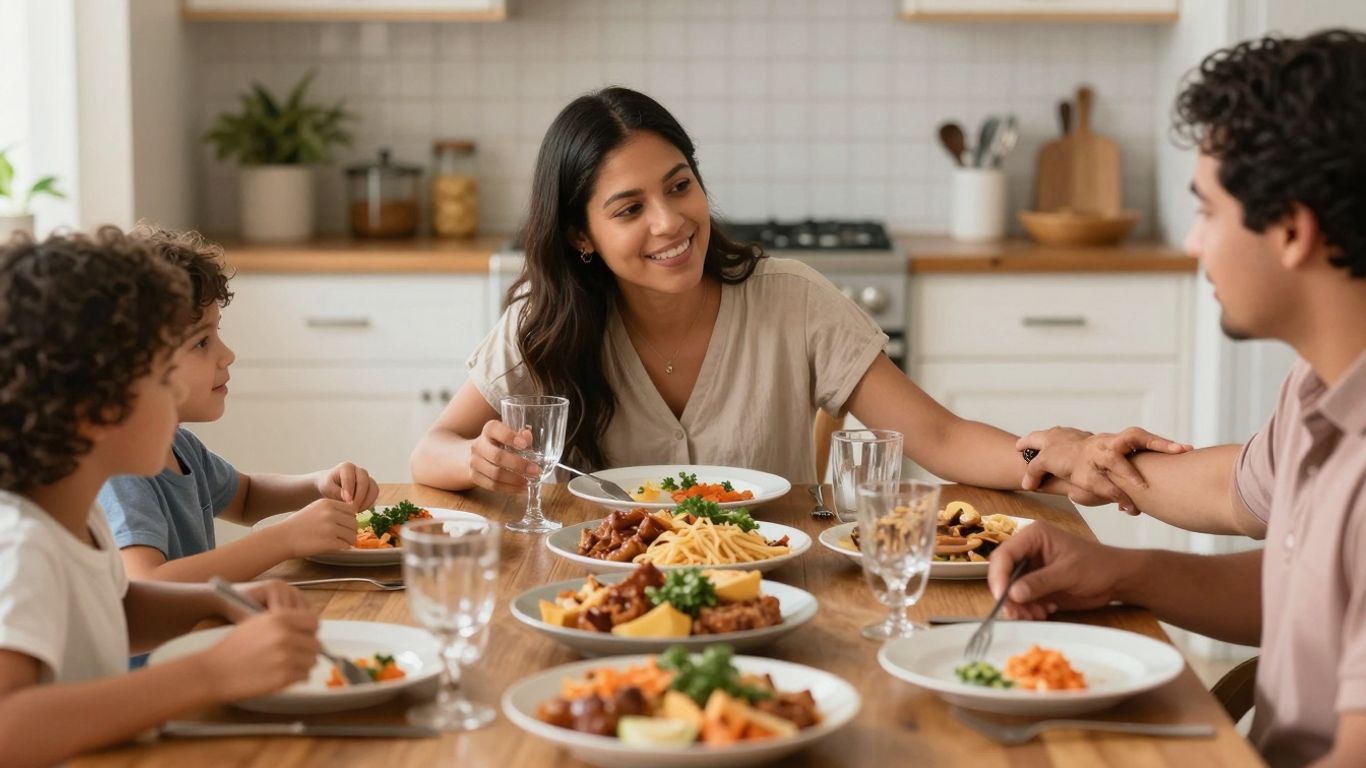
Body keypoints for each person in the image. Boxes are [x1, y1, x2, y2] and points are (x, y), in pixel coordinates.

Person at [409, 87, 1177, 502]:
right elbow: (430, 449)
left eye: (681, 186)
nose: (671, 222)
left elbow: (938, 439)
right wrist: (475, 461)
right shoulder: (543, 326)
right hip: (593, 599)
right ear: (581, 237)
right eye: (629, 208)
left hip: (772, 592)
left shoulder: (792, 299)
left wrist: (1054, 453)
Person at [989, 30, 1366, 767]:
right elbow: (1304, 587)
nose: (1193, 242)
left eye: (1209, 211)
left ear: (1291, 230)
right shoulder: (1321, 387)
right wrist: (1117, 573)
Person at [0, 228, 320, 766]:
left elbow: (112, 612)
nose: (174, 392)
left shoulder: (72, 516)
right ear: (97, 408)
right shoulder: (23, 546)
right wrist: (209, 674)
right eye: (158, 379)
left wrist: (219, 598)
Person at [97, 228, 380, 586]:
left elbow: (246, 498)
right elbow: (148, 582)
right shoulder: (122, 470)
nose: (227, 354)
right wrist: (285, 539)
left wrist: (319, 483)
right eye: (201, 342)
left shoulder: (179, 446)